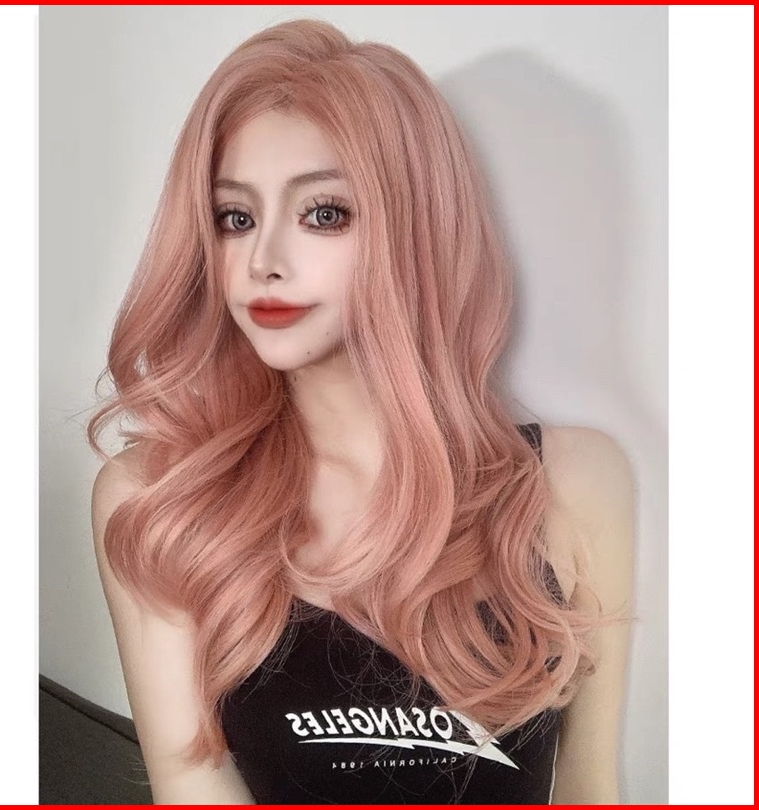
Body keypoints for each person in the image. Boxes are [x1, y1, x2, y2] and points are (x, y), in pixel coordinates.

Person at [88, 18, 634, 805]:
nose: (264, 260)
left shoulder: (574, 482)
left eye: (324, 214)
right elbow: (191, 781)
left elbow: (589, 785)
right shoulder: (159, 501)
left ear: (417, 228)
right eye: (236, 218)